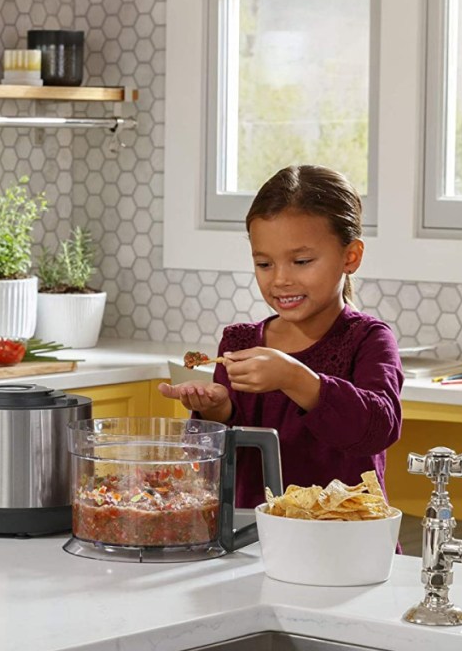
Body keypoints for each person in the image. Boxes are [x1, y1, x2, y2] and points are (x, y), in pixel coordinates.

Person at [158, 165, 403, 508]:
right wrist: (218, 412)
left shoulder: (368, 340)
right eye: (264, 264)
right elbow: (216, 465)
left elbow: (378, 429)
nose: (280, 280)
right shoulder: (239, 343)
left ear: (351, 256)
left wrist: (294, 377)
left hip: (346, 544)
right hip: (256, 540)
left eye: (301, 261)